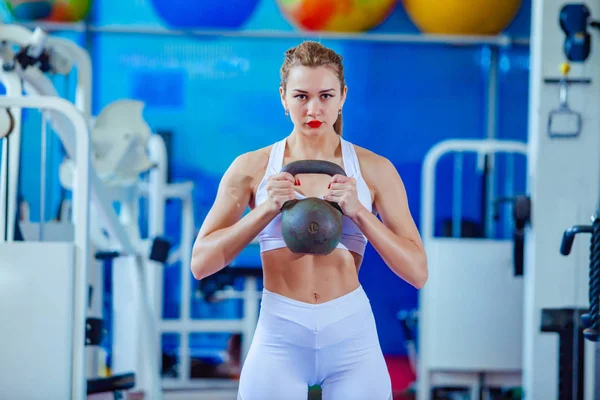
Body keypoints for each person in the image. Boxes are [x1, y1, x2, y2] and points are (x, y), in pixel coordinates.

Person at [191, 40, 428, 400]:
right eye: (301, 96)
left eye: (326, 96)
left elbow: (417, 272)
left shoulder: (374, 170)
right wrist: (265, 209)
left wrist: (360, 212)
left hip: (350, 336)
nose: (313, 108)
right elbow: (201, 263)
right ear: (283, 97)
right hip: (280, 334)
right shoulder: (251, 168)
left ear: (343, 97)